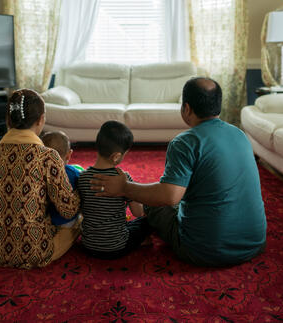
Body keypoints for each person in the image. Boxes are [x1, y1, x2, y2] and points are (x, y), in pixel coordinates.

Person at [92, 78, 266, 267]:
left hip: (205, 250)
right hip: (254, 242)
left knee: (154, 203)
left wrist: (124, 187)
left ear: (187, 109)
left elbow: (169, 197)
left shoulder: (185, 142)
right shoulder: (239, 134)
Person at [0, 89, 80, 268]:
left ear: (8, 120)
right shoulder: (48, 156)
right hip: (34, 249)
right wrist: (81, 189)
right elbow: (68, 210)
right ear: (41, 120)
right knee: (76, 224)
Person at [77, 121, 151, 259]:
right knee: (146, 222)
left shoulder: (82, 178)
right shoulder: (123, 178)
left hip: (88, 246)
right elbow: (138, 212)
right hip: (117, 247)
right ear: (116, 156)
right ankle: (141, 241)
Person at [41, 130, 82, 228]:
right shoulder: (73, 172)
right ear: (69, 154)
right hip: (66, 222)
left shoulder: (38, 173)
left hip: (46, 221)